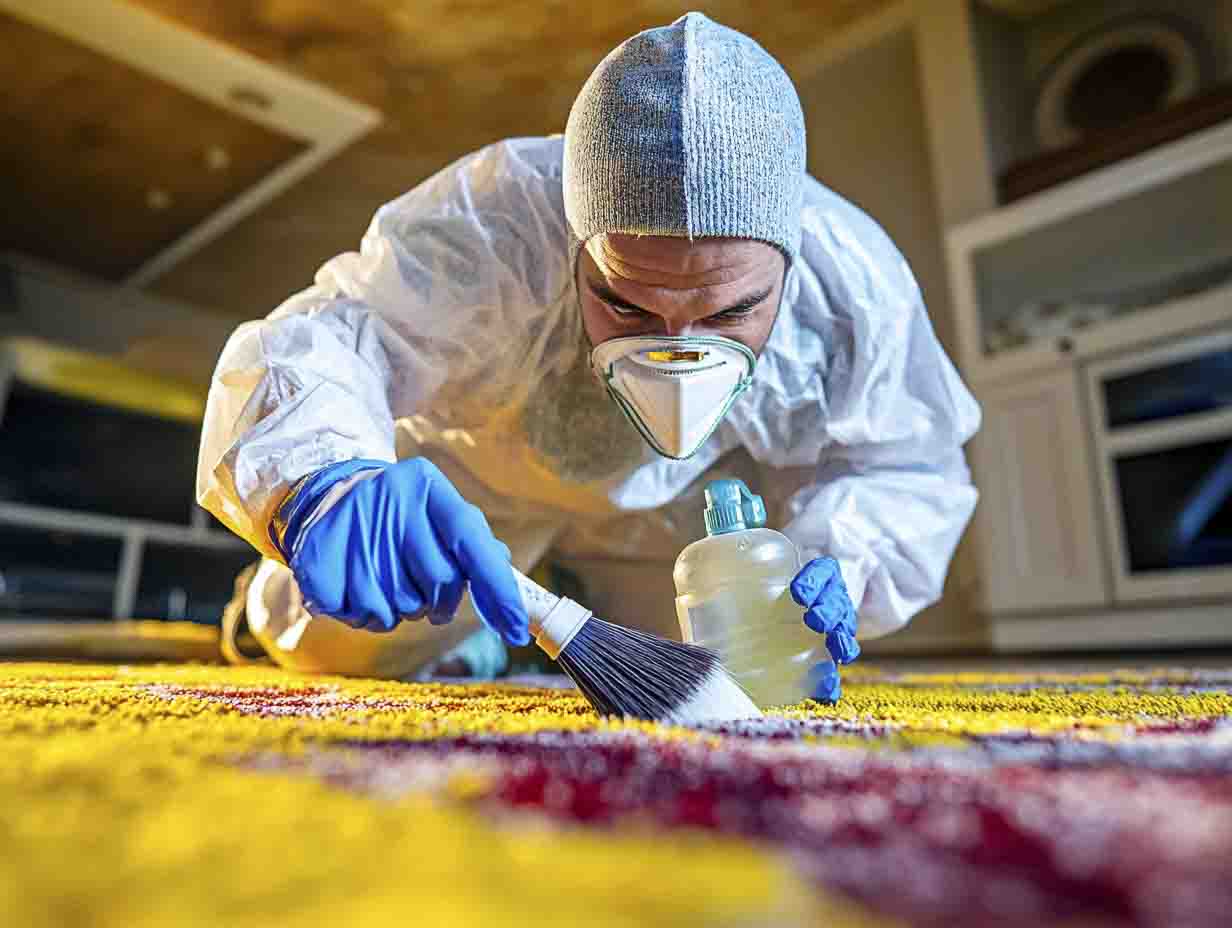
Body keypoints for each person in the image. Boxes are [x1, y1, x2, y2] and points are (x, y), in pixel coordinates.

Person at [198, 13, 980, 701]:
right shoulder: (496, 223)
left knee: (723, 663)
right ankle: (259, 610)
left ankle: (552, 590)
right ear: (572, 246)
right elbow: (339, 334)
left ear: (791, 262)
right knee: (329, 640)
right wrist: (321, 483)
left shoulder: (852, 284)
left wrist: (844, 560)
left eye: (732, 311)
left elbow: (908, 463)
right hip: (476, 482)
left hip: (684, 508)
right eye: (628, 305)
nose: (677, 358)